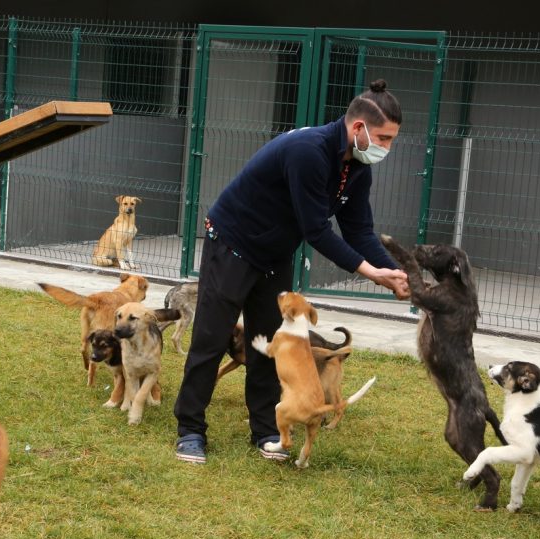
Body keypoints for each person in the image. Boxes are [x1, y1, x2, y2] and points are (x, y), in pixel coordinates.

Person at [174, 79, 411, 465]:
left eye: (391, 140)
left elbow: (359, 231)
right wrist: (371, 273)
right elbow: (315, 229)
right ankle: (190, 430)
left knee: (272, 343)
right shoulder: (308, 151)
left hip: (274, 253)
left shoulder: (357, 168)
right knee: (212, 339)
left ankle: (267, 430)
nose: (387, 147)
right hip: (233, 242)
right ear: (358, 129)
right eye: (384, 138)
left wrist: (396, 273)